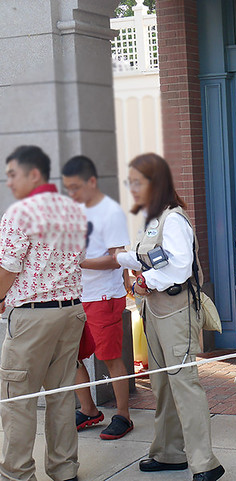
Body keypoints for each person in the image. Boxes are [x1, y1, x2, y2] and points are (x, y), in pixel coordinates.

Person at [115, 153, 224, 481]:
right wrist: (120, 258)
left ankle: (205, 463)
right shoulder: (152, 218)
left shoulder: (173, 219)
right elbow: (145, 255)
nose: (132, 188)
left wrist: (146, 280)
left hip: (175, 311)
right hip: (154, 311)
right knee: (163, 384)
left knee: (184, 384)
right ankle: (168, 453)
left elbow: (178, 265)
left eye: (137, 182)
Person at [0, 146, 87, 481]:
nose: (9, 182)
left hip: (33, 316)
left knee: (17, 398)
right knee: (61, 395)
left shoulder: (19, 213)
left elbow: (8, 268)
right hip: (70, 312)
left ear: (33, 174)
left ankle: (17, 474)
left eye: (13, 174)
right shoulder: (72, 209)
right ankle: (65, 470)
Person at [62, 155, 134, 440]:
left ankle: (124, 416)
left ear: (92, 182)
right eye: (68, 188)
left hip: (104, 296)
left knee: (110, 358)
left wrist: (78, 262)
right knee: (73, 357)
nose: (72, 194)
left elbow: (117, 259)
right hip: (75, 296)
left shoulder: (110, 212)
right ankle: (89, 410)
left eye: (76, 187)